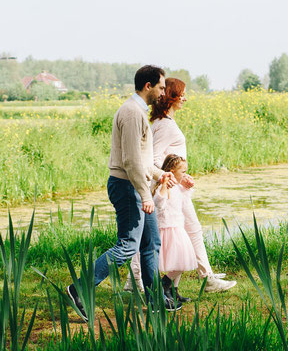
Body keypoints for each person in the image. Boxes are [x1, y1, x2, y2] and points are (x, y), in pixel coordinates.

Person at [66, 65, 179, 320]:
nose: (164, 92)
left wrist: (161, 175)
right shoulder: (131, 114)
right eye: (161, 87)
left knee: (150, 244)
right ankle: (79, 290)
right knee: (128, 246)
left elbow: (142, 159)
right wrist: (146, 195)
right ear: (148, 86)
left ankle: (155, 301)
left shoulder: (138, 112)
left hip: (136, 184)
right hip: (128, 187)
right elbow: (130, 162)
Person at [124, 78, 236, 294]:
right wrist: (174, 177)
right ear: (170, 98)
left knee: (161, 233)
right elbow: (154, 160)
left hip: (174, 186)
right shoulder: (165, 125)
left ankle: (137, 279)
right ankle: (206, 279)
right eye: (181, 94)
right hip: (171, 190)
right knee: (190, 230)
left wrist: (180, 176)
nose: (185, 98)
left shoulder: (161, 122)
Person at [151, 155, 198, 304]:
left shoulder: (177, 186)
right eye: (183, 172)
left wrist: (188, 185)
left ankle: (170, 288)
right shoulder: (164, 187)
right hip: (167, 229)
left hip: (178, 227)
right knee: (179, 263)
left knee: (182, 261)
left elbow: (184, 199)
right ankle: (165, 284)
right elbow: (159, 203)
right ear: (171, 171)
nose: (185, 174)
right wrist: (164, 184)